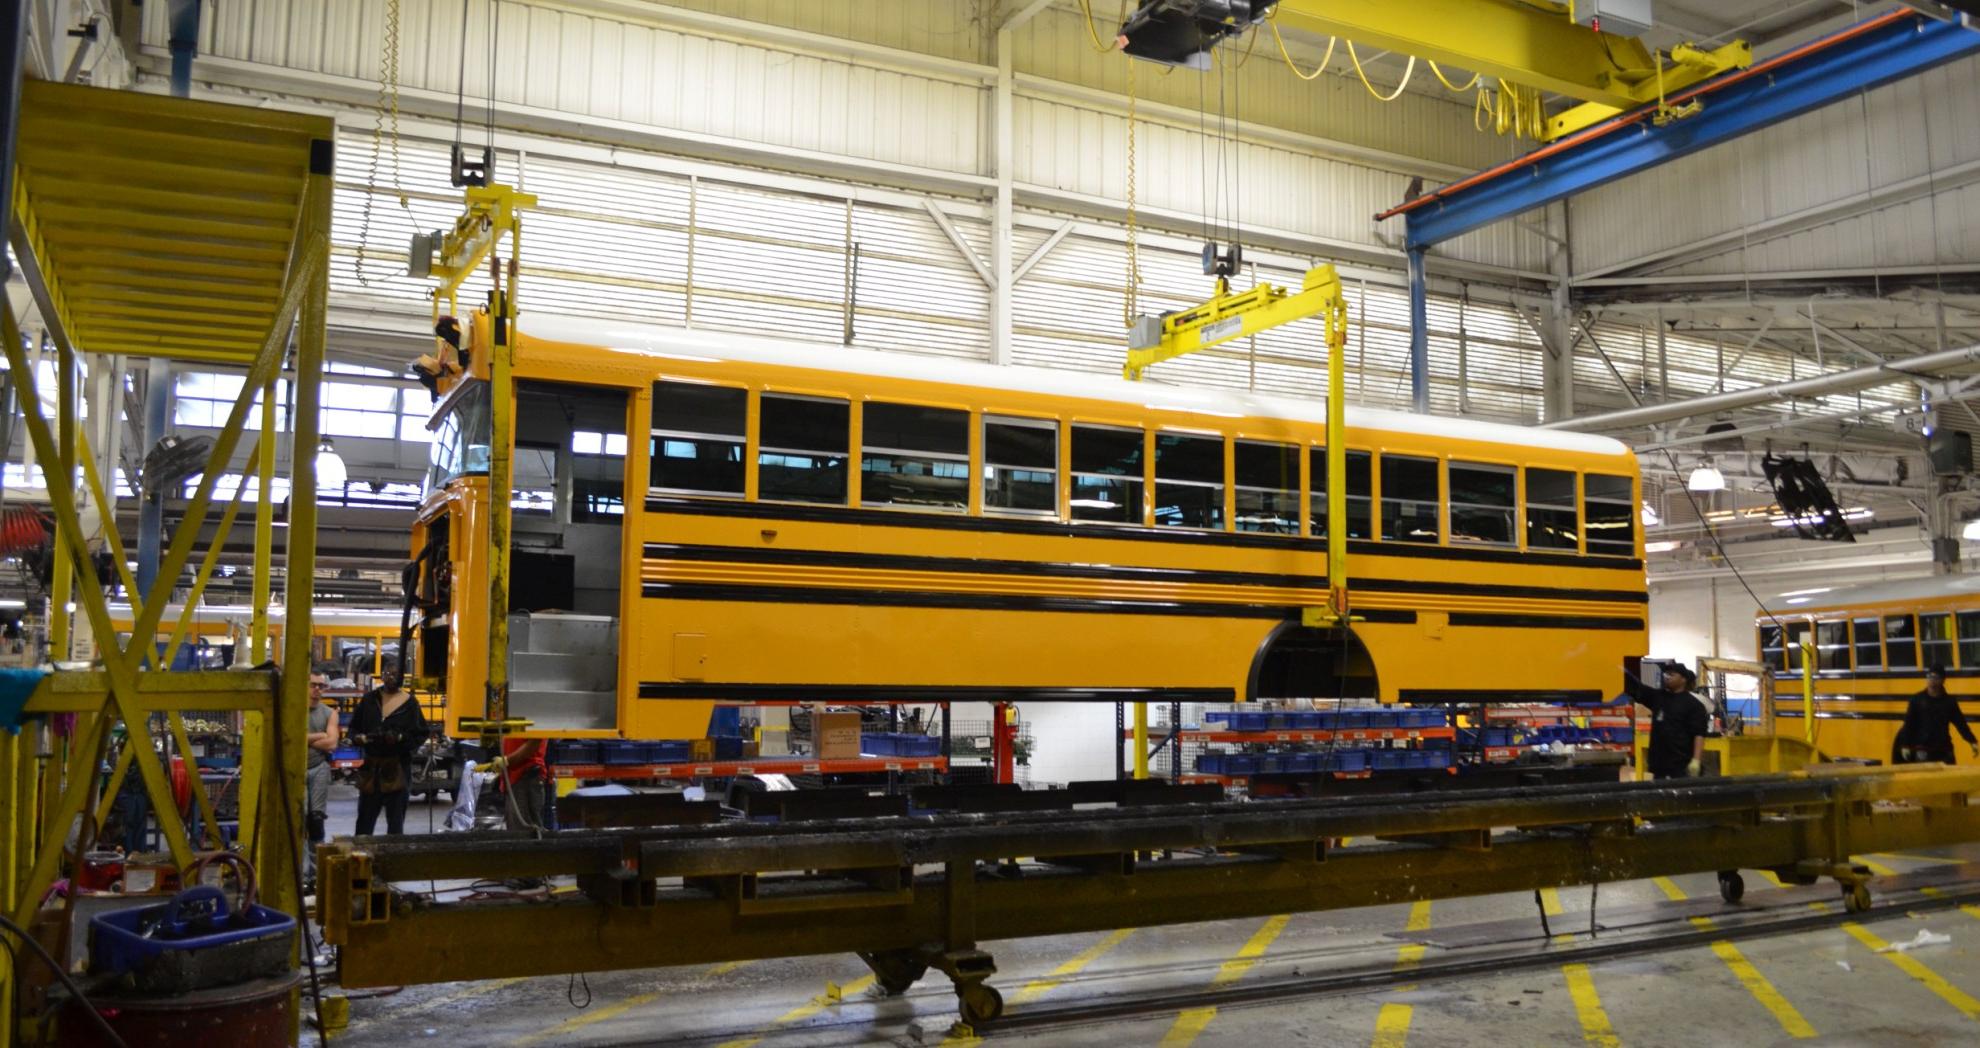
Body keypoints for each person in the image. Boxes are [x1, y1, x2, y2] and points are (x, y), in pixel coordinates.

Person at [349, 674, 426, 835]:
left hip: (397, 769)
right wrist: (358, 738)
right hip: (371, 770)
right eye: (389, 674)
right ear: (382, 676)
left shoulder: (410, 703)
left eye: (395, 674)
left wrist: (400, 739)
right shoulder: (369, 700)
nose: (392, 678)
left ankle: (395, 856)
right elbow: (353, 728)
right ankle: (360, 855)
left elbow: (420, 734)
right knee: (364, 822)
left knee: (395, 823)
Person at [1618, 661, 1712, 779]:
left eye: (1672, 674)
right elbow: (1637, 689)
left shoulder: (1693, 705)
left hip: (1681, 766)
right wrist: (1620, 670)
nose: (1667, 677)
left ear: (1683, 679)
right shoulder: (1658, 697)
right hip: (1659, 765)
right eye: (1666, 674)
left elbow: (1699, 734)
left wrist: (1696, 760)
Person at [1894, 665, 1979, 765]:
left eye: (1936, 678)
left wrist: (1972, 741)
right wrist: (1905, 745)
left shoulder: (1949, 702)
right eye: (1929, 677)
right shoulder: (1917, 700)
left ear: (1943, 680)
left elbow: (1960, 724)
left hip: (1944, 748)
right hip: (1924, 748)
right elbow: (1908, 724)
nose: (1932, 681)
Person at [303, 673, 340, 884]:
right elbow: (289, 737)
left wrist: (305, 739)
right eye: (313, 685)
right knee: (298, 822)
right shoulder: (295, 708)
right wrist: (319, 736)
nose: (317, 689)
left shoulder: (329, 713)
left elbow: (332, 744)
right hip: (296, 769)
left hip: (318, 768)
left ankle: (315, 877)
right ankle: (299, 875)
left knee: (316, 820)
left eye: (321, 686)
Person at [485, 736, 548, 834]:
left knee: (524, 832)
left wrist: (507, 761)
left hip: (526, 777)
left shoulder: (538, 721)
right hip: (515, 777)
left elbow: (534, 742)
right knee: (517, 829)